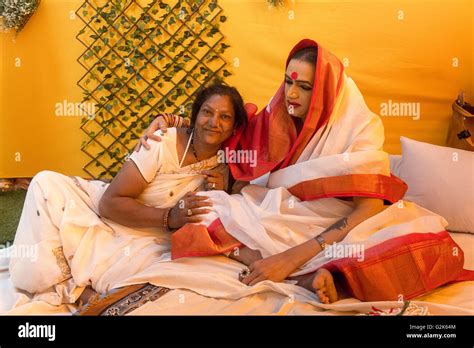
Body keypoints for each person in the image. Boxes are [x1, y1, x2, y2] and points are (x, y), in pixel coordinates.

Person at [136, 39, 472, 304]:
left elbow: (368, 208)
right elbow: (227, 125)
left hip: (338, 224)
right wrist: (171, 121)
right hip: (283, 212)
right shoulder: (279, 116)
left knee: (414, 249)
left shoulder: (361, 128)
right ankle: (302, 276)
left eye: (305, 87)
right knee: (203, 211)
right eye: (288, 82)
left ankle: (310, 273)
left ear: (326, 89)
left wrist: (288, 258)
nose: (291, 94)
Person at [8, 83, 248, 306]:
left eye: (225, 116)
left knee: (165, 276)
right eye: (207, 112)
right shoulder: (161, 142)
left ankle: (76, 281)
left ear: (235, 127)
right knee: (45, 184)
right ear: (195, 115)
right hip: (112, 214)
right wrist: (169, 217)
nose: (214, 122)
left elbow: (210, 219)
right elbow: (109, 204)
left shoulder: (226, 165)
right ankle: (70, 288)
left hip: (151, 240)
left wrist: (219, 192)